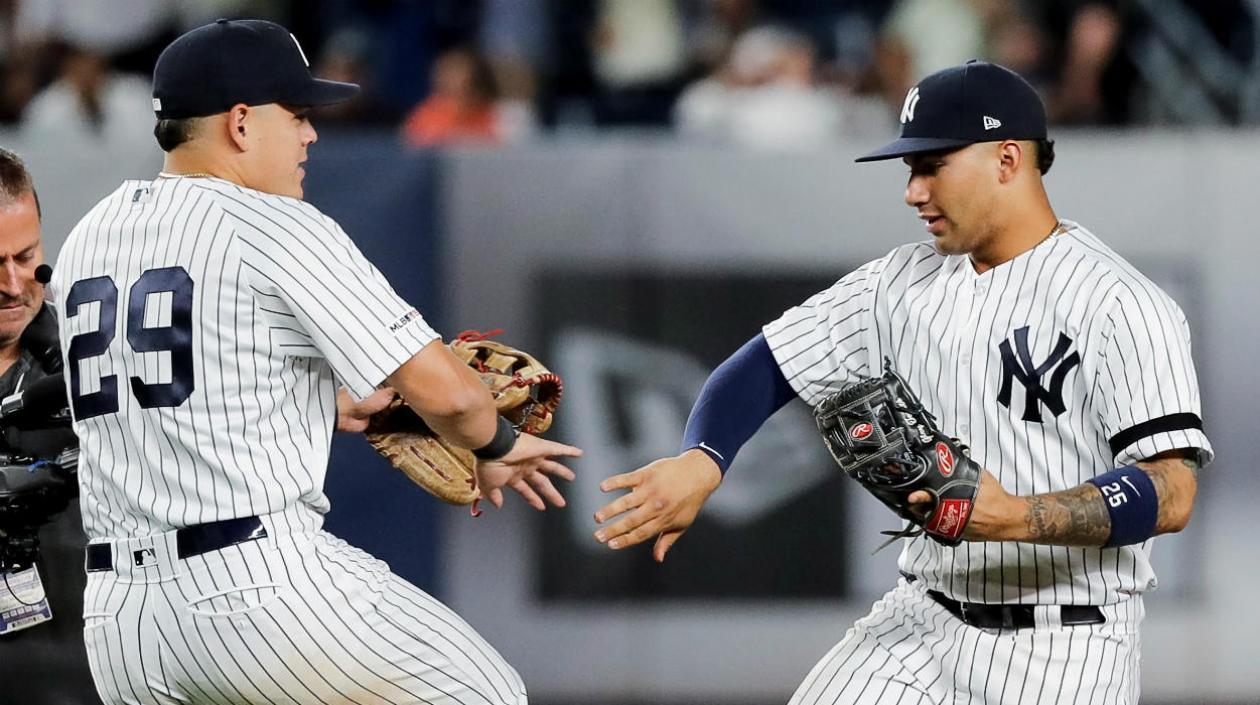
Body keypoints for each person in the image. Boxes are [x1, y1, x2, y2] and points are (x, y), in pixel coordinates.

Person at [594, 60, 1210, 704]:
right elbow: (764, 364)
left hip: (1067, 648)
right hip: (919, 622)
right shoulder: (898, 281)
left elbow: (1171, 490)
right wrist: (704, 459)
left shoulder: (1120, 302)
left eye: (931, 165)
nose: (912, 192)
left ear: (1007, 159)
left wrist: (1016, 518)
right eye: (910, 169)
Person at [53, 19, 580, 705]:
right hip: (255, 588)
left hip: (120, 621)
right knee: (487, 693)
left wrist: (316, 405)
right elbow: (449, 396)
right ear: (241, 123)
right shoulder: (273, 223)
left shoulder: (89, 234)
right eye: (297, 115)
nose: (312, 134)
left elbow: (144, 398)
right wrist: (496, 441)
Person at [0, 147, 94, 704]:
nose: (13, 285)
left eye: (26, 255)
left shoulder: (94, 358)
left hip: (84, 677)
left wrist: (321, 405)